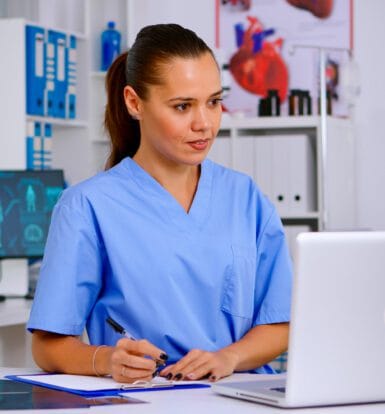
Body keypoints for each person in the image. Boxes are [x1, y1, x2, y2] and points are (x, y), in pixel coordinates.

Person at [28, 23, 292, 384]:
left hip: (239, 395)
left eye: (214, 102)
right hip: (147, 397)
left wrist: (227, 357)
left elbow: (279, 323)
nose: (204, 124)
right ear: (135, 102)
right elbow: (48, 345)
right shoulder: (87, 206)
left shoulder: (246, 198)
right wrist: (108, 359)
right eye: (183, 106)